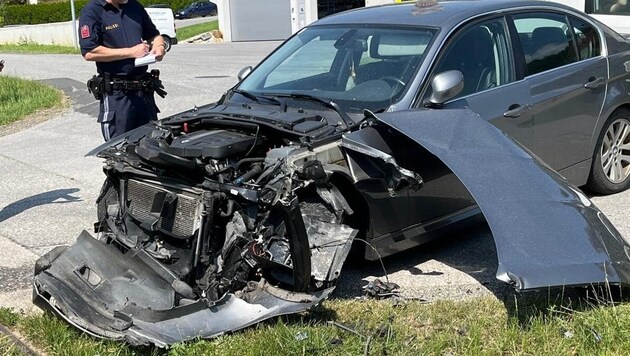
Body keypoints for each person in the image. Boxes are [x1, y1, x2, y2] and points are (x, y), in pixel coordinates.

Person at [79, 0, 167, 141]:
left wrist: (160, 46)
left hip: (144, 92)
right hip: (117, 96)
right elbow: (89, 52)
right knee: (120, 150)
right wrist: (130, 52)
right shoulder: (92, 11)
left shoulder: (134, 6)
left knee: (152, 146)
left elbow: (154, 36)